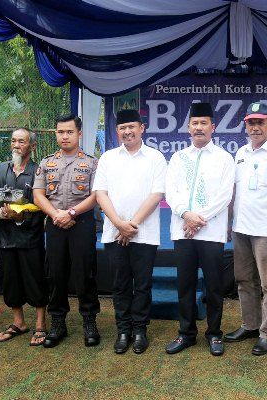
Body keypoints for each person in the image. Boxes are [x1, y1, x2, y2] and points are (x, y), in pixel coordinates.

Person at [224, 101, 267, 356]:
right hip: (241, 228)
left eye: (260, 122)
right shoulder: (241, 153)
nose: (255, 127)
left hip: (266, 230)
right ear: (246, 126)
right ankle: (250, 325)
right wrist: (228, 223)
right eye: (251, 123)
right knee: (244, 279)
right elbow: (234, 191)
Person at [163, 102, 234, 356]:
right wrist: (186, 214)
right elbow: (171, 192)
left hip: (211, 231)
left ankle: (214, 333)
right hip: (182, 230)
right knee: (185, 284)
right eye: (195, 123)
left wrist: (198, 220)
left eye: (204, 123)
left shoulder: (224, 159)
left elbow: (225, 196)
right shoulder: (178, 158)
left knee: (214, 285)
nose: (199, 127)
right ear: (188, 127)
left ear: (213, 127)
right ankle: (186, 333)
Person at [94, 109, 166, 355]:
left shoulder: (155, 157)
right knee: (120, 284)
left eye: (132, 127)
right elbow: (100, 193)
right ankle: (123, 330)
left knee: (143, 285)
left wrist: (131, 225)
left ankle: (140, 331)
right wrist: (119, 224)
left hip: (144, 233)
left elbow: (157, 194)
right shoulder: (108, 158)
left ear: (142, 128)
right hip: (114, 233)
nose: (127, 132)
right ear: (117, 131)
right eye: (123, 128)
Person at [33, 114, 100, 348]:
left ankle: (89, 322)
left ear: (79, 134)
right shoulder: (46, 163)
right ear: (56, 134)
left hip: (82, 224)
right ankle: (57, 323)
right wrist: (56, 215)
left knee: (85, 274)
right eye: (60, 132)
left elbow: (96, 196)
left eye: (69, 132)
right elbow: (38, 195)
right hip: (54, 224)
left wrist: (70, 213)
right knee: (55, 274)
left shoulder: (92, 163)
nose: (65, 136)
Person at [0, 128, 48, 346]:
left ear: (32, 146)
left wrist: (20, 217)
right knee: (9, 280)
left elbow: (41, 205)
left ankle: (40, 323)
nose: (16, 145)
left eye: (21, 141)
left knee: (35, 279)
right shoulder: (1, 169)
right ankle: (19, 322)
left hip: (30, 238)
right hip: (4, 237)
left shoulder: (38, 171)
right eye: (13, 141)